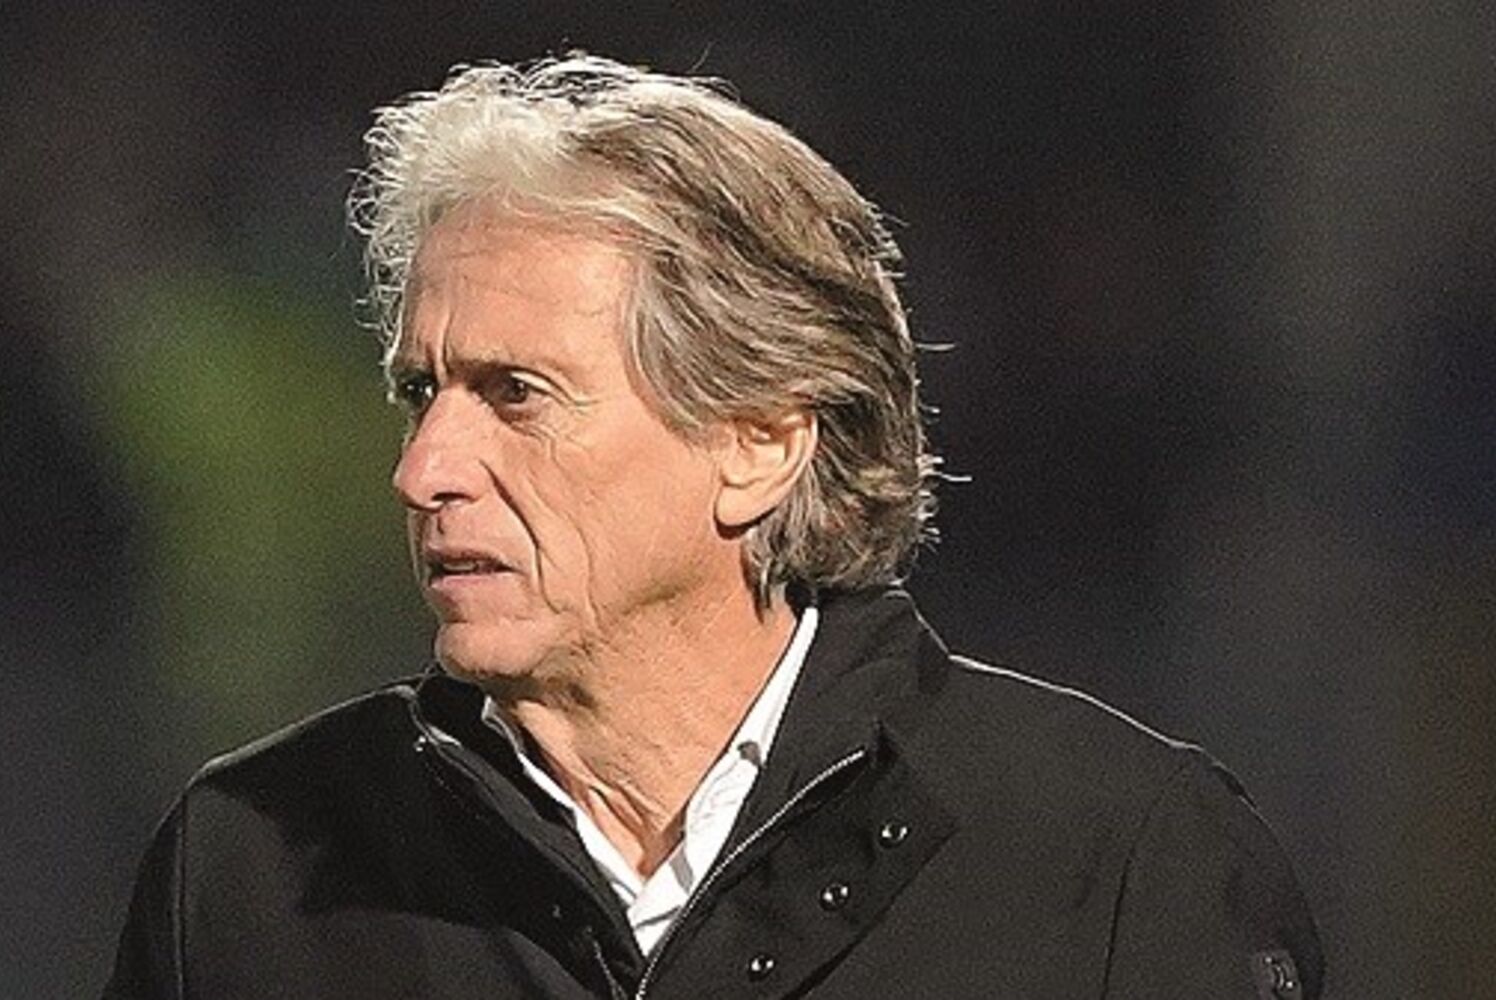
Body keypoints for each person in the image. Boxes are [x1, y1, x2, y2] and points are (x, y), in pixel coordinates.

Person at [105, 55, 1323, 999]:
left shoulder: (1120, 862)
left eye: (516, 393)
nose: (423, 469)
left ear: (760, 442)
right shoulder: (247, 868)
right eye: (421, 391)